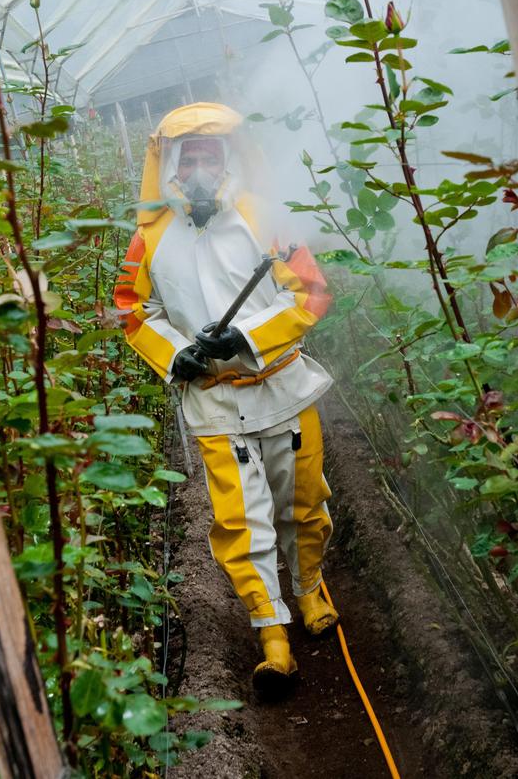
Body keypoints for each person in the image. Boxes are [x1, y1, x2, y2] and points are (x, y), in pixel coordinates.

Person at [113, 102, 337, 692]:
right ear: (172, 166)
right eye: (191, 157)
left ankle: (310, 589)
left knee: (303, 502)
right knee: (241, 522)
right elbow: (133, 311)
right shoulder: (150, 237)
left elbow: (311, 294)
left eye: (212, 154)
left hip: (284, 389)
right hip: (214, 404)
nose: (201, 167)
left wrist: (247, 335)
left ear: (230, 157)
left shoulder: (268, 221)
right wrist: (175, 353)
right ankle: (272, 634)